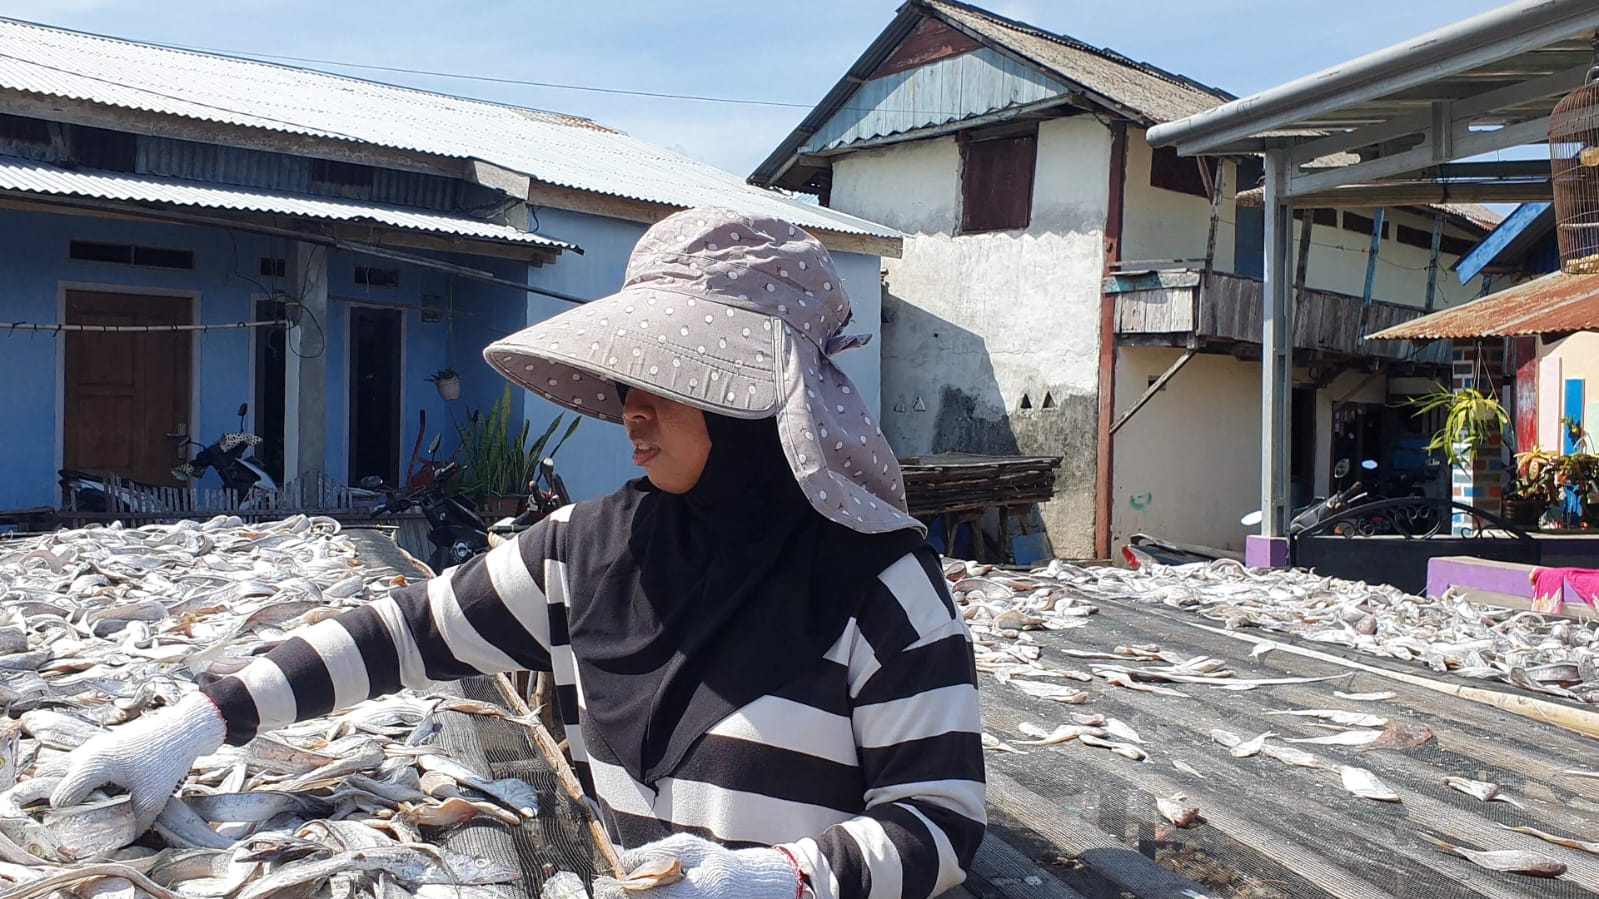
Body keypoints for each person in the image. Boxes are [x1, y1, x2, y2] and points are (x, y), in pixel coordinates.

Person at [51, 208, 986, 899]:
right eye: (631, 380)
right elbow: (401, 633)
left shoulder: (882, 586)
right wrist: (194, 726)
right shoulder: (584, 550)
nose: (632, 407)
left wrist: (769, 879)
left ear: (756, 400)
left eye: (668, 381)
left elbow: (940, 822)